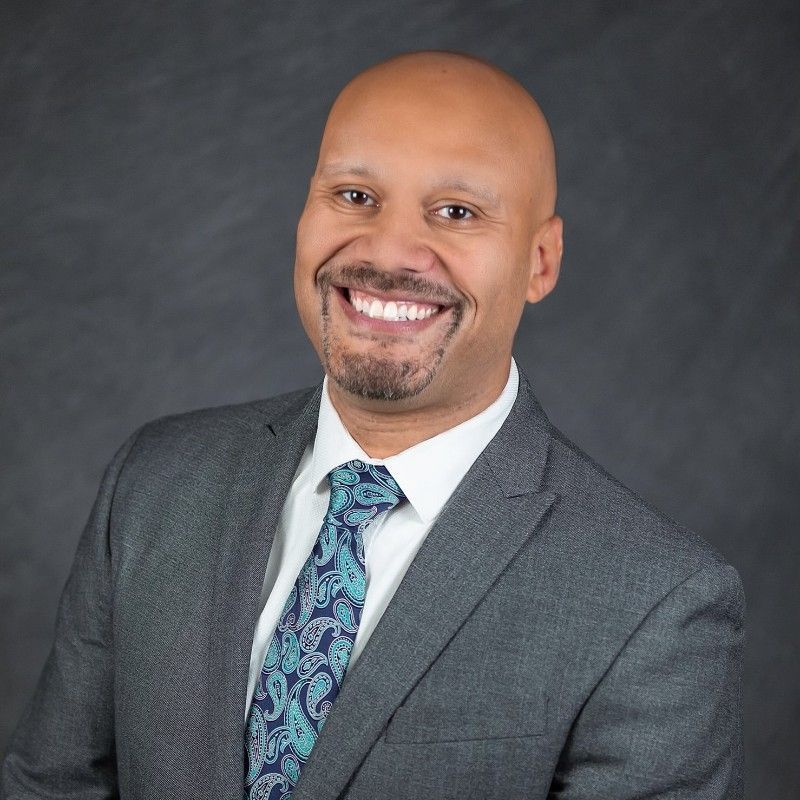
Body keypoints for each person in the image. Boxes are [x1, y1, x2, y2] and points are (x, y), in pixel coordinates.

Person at [1, 51, 744, 800]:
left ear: (540, 261)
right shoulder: (156, 481)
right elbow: (52, 785)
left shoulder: (655, 599)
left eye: (456, 212)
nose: (388, 250)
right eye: (354, 195)